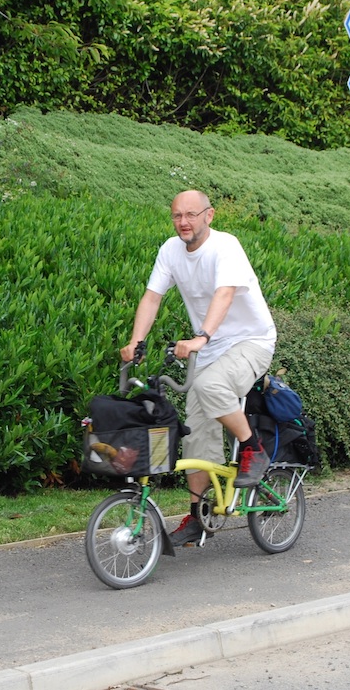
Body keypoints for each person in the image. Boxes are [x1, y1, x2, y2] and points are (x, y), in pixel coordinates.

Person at [121, 190, 277, 547]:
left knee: (209, 388)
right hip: (209, 350)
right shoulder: (170, 251)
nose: (183, 222)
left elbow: (224, 294)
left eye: (191, 214)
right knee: (194, 431)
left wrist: (201, 337)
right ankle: (198, 515)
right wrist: (135, 343)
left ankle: (253, 448)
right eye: (177, 215)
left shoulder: (226, 246)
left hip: (250, 341)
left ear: (210, 215)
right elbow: (152, 297)